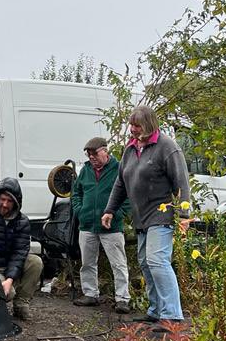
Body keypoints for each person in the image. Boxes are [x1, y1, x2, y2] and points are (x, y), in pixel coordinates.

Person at [102, 106, 191, 328]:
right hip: (141, 217)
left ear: (149, 124)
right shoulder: (130, 149)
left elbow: (182, 182)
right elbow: (121, 182)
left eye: (137, 125)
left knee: (157, 261)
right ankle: (156, 309)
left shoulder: (167, 147)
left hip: (162, 214)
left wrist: (183, 215)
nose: (132, 129)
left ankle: (172, 315)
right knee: (145, 262)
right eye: (131, 125)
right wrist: (110, 209)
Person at [71, 136, 131, 314]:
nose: (92, 158)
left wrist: (118, 213)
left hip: (111, 226)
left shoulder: (119, 168)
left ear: (105, 151)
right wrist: (80, 210)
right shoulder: (86, 170)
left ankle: (122, 299)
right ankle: (90, 294)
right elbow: (76, 192)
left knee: (118, 263)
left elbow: (128, 195)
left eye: (95, 154)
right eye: (89, 155)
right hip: (87, 224)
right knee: (87, 262)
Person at [0, 177, 43, 320]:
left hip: (9, 265)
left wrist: (10, 279)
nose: (4, 204)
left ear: (16, 203)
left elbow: (19, 253)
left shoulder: (22, 222)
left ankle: (21, 305)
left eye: (9, 201)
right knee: (8, 293)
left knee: (35, 262)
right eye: (2, 199)